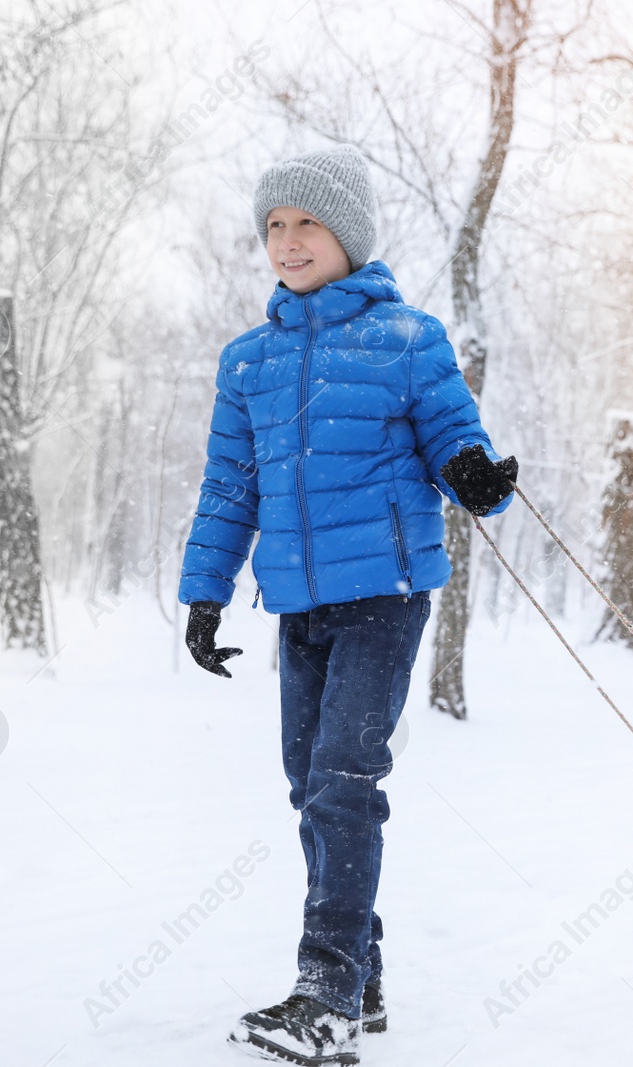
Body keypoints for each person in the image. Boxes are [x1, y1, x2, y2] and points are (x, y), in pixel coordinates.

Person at [176, 147, 518, 1066]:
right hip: (298, 603)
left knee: (342, 780)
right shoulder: (248, 361)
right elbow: (229, 486)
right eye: (274, 227)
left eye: (307, 224)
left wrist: (478, 478)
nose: (287, 243)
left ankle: (323, 994)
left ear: (348, 236)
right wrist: (206, 593)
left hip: (386, 593)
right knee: (309, 785)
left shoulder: (408, 339)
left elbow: (454, 436)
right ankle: (359, 971)